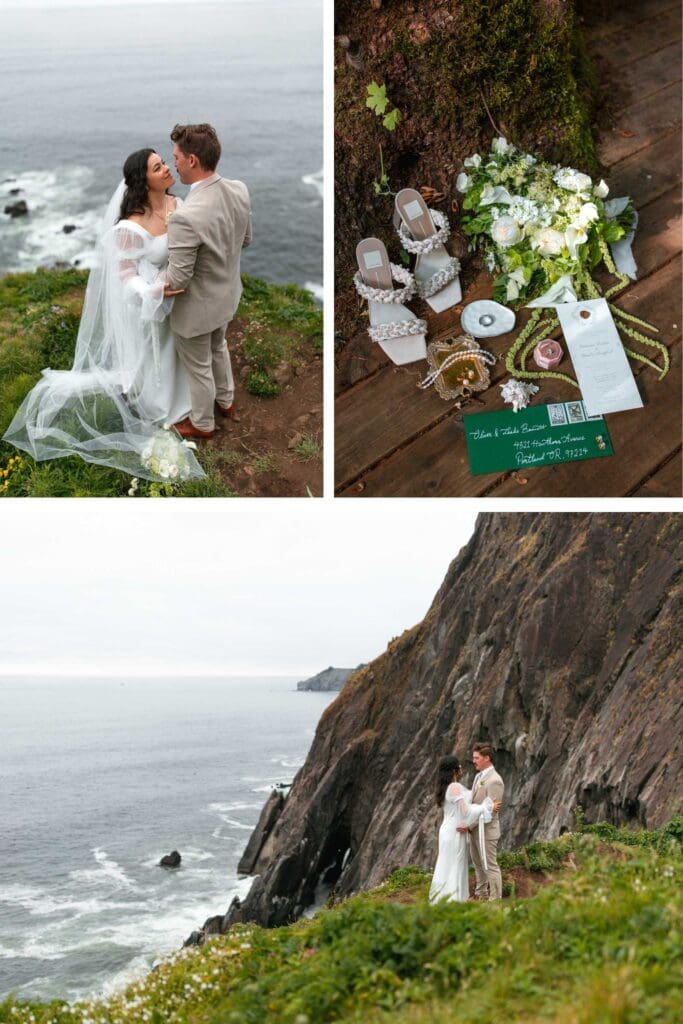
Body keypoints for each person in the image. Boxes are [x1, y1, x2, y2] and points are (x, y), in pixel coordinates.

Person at [3, 148, 203, 483]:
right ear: (145, 180)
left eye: (165, 163)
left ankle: (188, 396)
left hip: (178, 298)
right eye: (158, 167)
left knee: (181, 349)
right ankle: (160, 404)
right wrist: (153, 292)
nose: (167, 169)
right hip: (149, 303)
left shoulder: (177, 204)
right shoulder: (130, 227)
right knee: (157, 355)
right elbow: (124, 276)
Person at [163, 123, 252, 439]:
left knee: (198, 365)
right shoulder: (239, 188)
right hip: (228, 294)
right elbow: (246, 240)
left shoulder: (186, 217)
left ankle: (202, 423)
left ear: (192, 161)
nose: (172, 162)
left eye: (175, 156)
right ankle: (226, 401)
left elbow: (177, 279)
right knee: (219, 346)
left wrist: (147, 280)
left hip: (197, 308)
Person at [429, 755, 499, 904]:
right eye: (459, 766)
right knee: (456, 864)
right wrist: (487, 807)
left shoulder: (445, 787)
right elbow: (466, 812)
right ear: (456, 770)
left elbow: (467, 799)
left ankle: (443, 899)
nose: (461, 768)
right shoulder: (454, 787)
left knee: (446, 864)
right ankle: (454, 900)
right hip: (455, 831)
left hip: (448, 830)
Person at [457, 743, 505, 901]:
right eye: (473, 758)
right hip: (475, 829)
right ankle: (481, 893)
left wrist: (468, 825)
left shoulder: (495, 781)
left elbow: (490, 810)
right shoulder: (479, 776)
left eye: (476, 758)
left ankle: (495, 898)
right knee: (478, 864)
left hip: (487, 831)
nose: (474, 761)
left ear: (487, 758)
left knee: (490, 865)